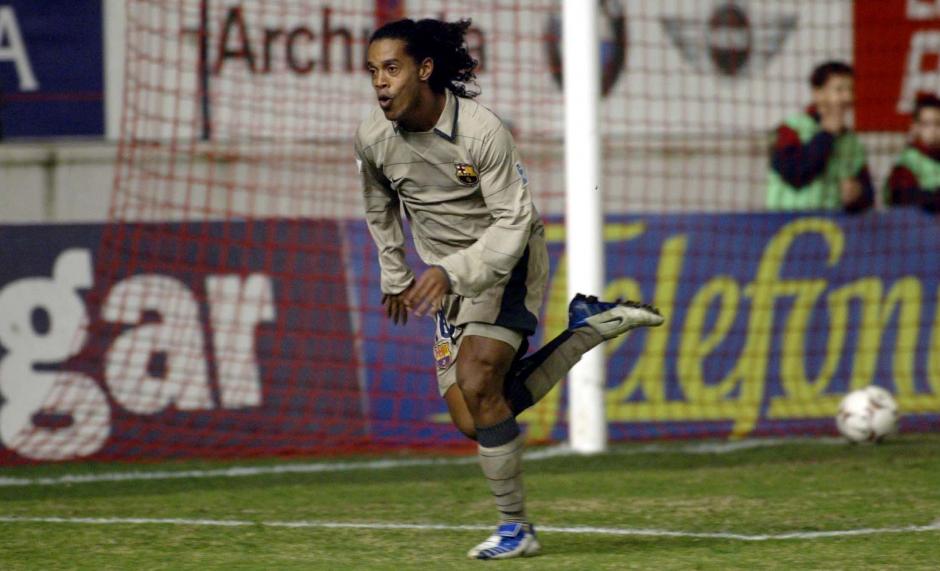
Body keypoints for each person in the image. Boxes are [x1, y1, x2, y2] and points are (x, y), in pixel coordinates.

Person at [355, 18, 664, 560]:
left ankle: (516, 529)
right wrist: (394, 274)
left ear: (424, 70)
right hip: (444, 277)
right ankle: (586, 329)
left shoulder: (481, 132)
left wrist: (454, 273)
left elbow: (512, 223)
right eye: (374, 72)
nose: (380, 83)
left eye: (392, 69)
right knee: (474, 419)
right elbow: (379, 204)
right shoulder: (374, 139)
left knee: (478, 376)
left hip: (506, 262)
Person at [767, 61, 874, 212]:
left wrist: (858, 193)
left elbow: (869, 196)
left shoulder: (851, 141)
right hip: (786, 227)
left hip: (831, 229)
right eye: (839, 90)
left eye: (850, 90)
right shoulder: (790, 129)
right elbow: (796, 174)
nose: (847, 97)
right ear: (817, 94)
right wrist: (826, 135)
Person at [884, 94, 940, 213]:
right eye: (926, 124)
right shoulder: (907, 162)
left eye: (938, 123)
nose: (933, 130)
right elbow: (901, 196)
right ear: (915, 127)